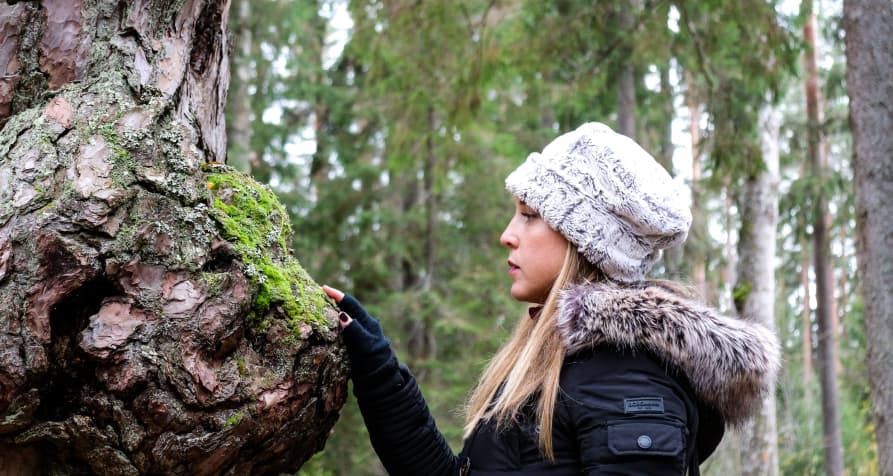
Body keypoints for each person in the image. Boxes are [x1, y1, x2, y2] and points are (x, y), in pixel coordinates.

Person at [322, 122, 780, 475]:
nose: (507, 236)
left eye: (527, 216)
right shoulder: (564, 364)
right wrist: (377, 367)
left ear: (583, 239)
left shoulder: (627, 383)